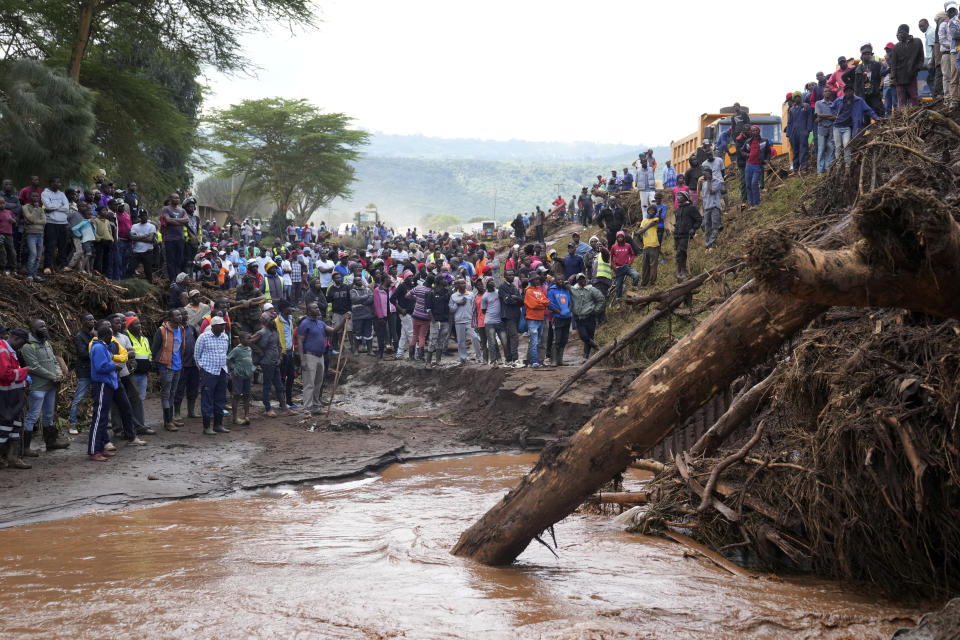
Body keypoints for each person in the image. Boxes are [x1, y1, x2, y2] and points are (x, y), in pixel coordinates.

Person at [21, 319, 69, 453]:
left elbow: (54, 361)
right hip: (38, 388)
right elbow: (35, 367)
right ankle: (26, 448)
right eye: (41, 326)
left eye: (45, 325)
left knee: (48, 415)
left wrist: (59, 374)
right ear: (32, 328)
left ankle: (51, 442)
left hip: (51, 386)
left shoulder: (47, 343)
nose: (44, 328)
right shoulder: (28, 346)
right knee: (32, 416)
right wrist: (52, 376)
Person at [297, 303, 348, 414]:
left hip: (320, 357)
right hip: (309, 356)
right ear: (309, 311)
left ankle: (316, 407)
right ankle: (307, 408)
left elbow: (334, 331)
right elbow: (300, 341)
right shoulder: (305, 324)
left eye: (318, 307)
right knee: (309, 383)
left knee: (318, 383)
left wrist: (344, 320)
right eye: (315, 308)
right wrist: (302, 359)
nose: (318, 309)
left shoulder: (320, 323)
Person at [87, 324, 122, 461]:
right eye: (111, 335)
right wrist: (114, 366)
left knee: (102, 418)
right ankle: (94, 451)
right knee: (99, 419)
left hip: (107, 384)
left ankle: (100, 447)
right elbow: (101, 367)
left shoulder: (103, 347)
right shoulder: (99, 347)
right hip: (101, 384)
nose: (112, 338)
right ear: (106, 336)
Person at [194, 316, 230, 435]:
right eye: (220, 325)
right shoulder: (203, 337)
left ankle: (218, 425)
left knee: (220, 398)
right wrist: (202, 369)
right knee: (207, 399)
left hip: (222, 371)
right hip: (209, 371)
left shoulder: (225, 337)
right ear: (214, 326)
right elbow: (197, 355)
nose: (223, 326)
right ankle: (207, 427)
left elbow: (226, 352)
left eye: (223, 324)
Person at [0, 327, 30, 469]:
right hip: (6, 398)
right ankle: (3, 458)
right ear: (16, 339)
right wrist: (25, 372)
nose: (22, 347)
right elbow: (5, 374)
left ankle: (13, 457)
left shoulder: (11, 351)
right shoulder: (3, 350)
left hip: (15, 397)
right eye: (22, 343)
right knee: (4, 428)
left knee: (15, 427)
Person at [151, 309, 185, 432]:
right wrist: (155, 362)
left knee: (173, 392)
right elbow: (155, 348)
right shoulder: (162, 330)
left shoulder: (181, 329)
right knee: (166, 392)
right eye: (177, 315)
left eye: (180, 314)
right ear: (170, 317)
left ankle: (170, 418)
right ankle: (168, 422)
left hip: (177, 365)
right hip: (165, 365)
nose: (180, 316)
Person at [251, 312, 290, 417]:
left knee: (279, 385)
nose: (273, 321)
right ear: (265, 322)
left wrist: (280, 358)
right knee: (267, 386)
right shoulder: (262, 332)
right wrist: (259, 352)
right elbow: (250, 341)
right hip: (267, 363)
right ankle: (268, 408)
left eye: (273, 319)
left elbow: (279, 346)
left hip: (275, 362)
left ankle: (284, 407)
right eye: (271, 320)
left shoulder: (275, 331)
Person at [832, 84, 880, 165]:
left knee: (849, 144)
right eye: (847, 91)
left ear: (853, 92)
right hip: (839, 125)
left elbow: (868, 110)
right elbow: (832, 108)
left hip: (852, 126)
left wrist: (876, 118)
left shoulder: (859, 101)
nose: (849, 93)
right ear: (844, 92)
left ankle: (849, 164)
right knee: (838, 146)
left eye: (850, 91)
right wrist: (835, 115)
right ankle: (838, 164)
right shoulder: (839, 100)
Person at [569, 274, 604, 359]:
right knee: (584, 336)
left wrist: (596, 310)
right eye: (580, 279)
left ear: (586, 280)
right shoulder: (574, 289)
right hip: (579, 318)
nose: (582, 281)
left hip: (590, 317)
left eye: (583, 279)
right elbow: (564, 284)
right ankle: (597, 348)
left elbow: (601, 299)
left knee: (590, 336)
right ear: (577, 281)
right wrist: (569, 279)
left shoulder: (591, 289)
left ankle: (586, 356)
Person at [891, 24, 926, 108]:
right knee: (901, 101)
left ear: (905, 32)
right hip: (899, 79)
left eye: (899, 33)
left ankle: (915, 116)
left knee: (914, 98)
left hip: (911, 76)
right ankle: (902, 119)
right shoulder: (896, 47)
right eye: (897, 34)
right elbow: (893, 64)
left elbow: (921, 58)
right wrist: (894, 78)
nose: (897, 36)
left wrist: (917, 68)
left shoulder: (917, 42)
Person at [41, 177, 71, 273]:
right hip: (51, 223)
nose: (59, 184)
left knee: (63, 245)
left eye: (59, 182)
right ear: (51, 183)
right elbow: (48, 206)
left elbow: (66, 207)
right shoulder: (45, 193)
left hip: (63, 223)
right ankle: (47, 266)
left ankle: (62, 265)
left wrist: (53, 207)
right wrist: (59, 206)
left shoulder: (62, 194)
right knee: (50, 245)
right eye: (57, 182)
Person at [738, 125, 772, 207]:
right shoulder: (748, 141)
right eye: (753, 130)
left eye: (756, 130)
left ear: (759, 131)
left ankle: (757, 203)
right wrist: (746, 154)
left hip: (757, 166)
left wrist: (767, 160)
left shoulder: (764, 141)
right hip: (748, 165)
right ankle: (751, 203)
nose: (754, 132)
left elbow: (768, 152)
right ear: (751, 132)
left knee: (754, 183)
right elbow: (741, 150)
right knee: (748, 184)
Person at [674, 191, 702, 282]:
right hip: (677, 235)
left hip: (686, 235)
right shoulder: (678, 209)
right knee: (678, 254)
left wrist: (693, 229)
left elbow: (699, 219)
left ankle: (683, 272)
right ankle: (679, 271)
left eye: (680, 196)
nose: (678, 197)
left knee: (681, 252)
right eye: (677, 196)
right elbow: (677, 221)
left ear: (685, 197)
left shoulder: (691, 208)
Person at [227, 332, 255, 425]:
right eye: (248, 338)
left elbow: (250, 360)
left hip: (247, 375)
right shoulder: (237, 350)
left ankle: (246, 415)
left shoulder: (249, 349)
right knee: (236, 395)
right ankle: (235, 417)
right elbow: (228, 359)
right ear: (241, 340)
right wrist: (234, 369)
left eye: (250, 338)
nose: (250, 340)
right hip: (238, 376)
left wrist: (252, 368)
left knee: (247, 395)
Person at [425, 275, 451, 367]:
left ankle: (438, 360)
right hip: (436, 321)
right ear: (439, 281)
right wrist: (433, 320)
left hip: (445, 321)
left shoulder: (447, 292)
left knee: (441, 340)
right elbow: (428, 308)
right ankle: (428, 362)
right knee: (432, 340)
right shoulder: (431, 293)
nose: (445, 280)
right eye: (444, 279)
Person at [523, 275, 549, 368]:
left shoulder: (539, 291)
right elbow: (533, 305)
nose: (538, 280)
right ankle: (534, 362)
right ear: (531, 280)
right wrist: (542, 304)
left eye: (538, 279)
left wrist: (540, 303)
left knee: (537, 341)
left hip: (541, 318)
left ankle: (534, 361)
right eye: (536, 279)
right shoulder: (529, 291)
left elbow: (547, 302)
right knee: (534, 341)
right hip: (532, 318)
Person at [161, 193, 188, 281]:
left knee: (179, 260)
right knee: (170, 260)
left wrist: (173, 220)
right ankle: (172, 279)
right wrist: (181, 221)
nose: (177, 199)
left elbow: (187, 220)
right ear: (170, 198)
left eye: (178, 198)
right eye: (175, 198)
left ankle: (177, 278)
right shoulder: (166, 209)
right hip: (170, 239)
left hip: (180, 239)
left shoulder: (182, 210)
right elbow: (167, 220)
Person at [449, 279, 475, 366]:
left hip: (469, 320)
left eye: (464, 283)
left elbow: (474, 307)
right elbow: (451, 310)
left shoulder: (471, 294)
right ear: (458, 285)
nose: (463, 285)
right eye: (461, 283)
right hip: (459, 321)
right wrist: (458, 304)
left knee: (475, 337)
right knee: (461, 341)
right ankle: (463, 359)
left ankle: (479, 357)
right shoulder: (453, 296)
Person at [547, 277, 572, 366]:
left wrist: (568, 311)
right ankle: (553, 360)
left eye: (562, 279)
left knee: (564, 339)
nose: (561, 281)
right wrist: (560, 312)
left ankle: (560, 360)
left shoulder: (566, 290)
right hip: (557, 317)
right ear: (555, 281)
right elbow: (550, 304)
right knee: (556, 339)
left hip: (567, 317)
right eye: (559, 279)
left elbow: (570, 303)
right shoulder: (552, 290)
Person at [785, 92, 813, 173]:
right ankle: (795, 169)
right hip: (793, 133)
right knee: (795, 150)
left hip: (803, 132)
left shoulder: (806, 106)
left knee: (803, 149)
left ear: (801, 98)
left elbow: (809, 118)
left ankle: (803, 167)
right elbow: (789, 122)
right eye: (795, 97)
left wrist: (808, 130)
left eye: (798, 97)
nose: (797, 98)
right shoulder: (791, 109)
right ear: (794, 99)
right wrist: (788, 134)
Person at [699, 167, 726, 250]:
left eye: (706, 173)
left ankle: (710, 244)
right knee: (707, 228)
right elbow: (702, 197)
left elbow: (712, 191)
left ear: (710, 173)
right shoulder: (704, 183)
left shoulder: (717, 181)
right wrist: (699, 183)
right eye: (703, 174)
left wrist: (710, 180)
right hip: (706, 208)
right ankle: (708, 245)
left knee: (715, 226)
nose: (704, 175)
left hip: (715, 207)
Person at [22, 191, 46, 281]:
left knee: (38, 256)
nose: (35, 198)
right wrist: (35, 210)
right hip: (31, 234)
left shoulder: (41, 209)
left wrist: (33, 221)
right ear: (29, 197)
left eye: (37, 196)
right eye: (33, 196)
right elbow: (30, 218)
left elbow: (44, 221)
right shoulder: (25, 207)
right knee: (33, 254)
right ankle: (30, 275)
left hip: (40, 234)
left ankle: (34, 274)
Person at [349, 275, 374, 354]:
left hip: (368, 315)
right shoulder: (352, 291)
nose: (360, 281)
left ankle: (370, 350)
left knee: (368, 332)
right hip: (357, 315)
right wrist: (366, 297)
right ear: (354, 282)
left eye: (360, 280)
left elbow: (371, 299)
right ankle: (356, 350)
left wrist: (362, 301)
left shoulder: (367, 289)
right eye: (358, 280)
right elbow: (354, 299)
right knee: (357, 332)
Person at [815, 88, 838, 173]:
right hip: (821, 128)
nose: (827, 92)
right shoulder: (818, 103)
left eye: (829, 91)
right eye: (825, 91)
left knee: (831, 148)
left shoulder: (833, 104)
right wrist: (829, 116)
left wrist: (822, 117)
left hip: (831, 128)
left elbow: (835, 117)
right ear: (823, 93)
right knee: (821, 148)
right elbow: (818, 114)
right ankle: (820, 170)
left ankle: (828, 168)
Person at [638, 204, 662, 286]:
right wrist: (649, 225)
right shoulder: (644, 221)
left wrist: (659, 214)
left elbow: (660, 220)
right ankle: (644, 283)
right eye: (650, 210)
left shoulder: (655, 219)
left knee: (653, 265)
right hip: (646, 246)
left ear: (655, 212)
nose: (651, 211)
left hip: (654, 245)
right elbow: (639, 232)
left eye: (653, 210)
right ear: (647, 211)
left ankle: (652, 283)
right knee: (645, 266)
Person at [940, 5, 959, 108]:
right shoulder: (947, 24)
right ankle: (952, 99)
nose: (952, 12)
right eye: (949, 11)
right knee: (952, 76)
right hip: (952, 52)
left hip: (955, 51)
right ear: (946, 13)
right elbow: (955, 34)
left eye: (953, 10)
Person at [610, 231, 638, 299]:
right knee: (619, 286)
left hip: (627, 267)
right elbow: (610, 258)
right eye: (618, 237)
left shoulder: (628, 245)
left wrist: (629, 262)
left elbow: (632, 254)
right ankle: (618, 300)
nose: (620, 238)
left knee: (636, 275)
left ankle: (632, 291)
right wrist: (613, 267)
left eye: (621, 237)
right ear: (616, 238)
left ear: (624, 237)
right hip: (619, 269)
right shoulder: (614, 247)